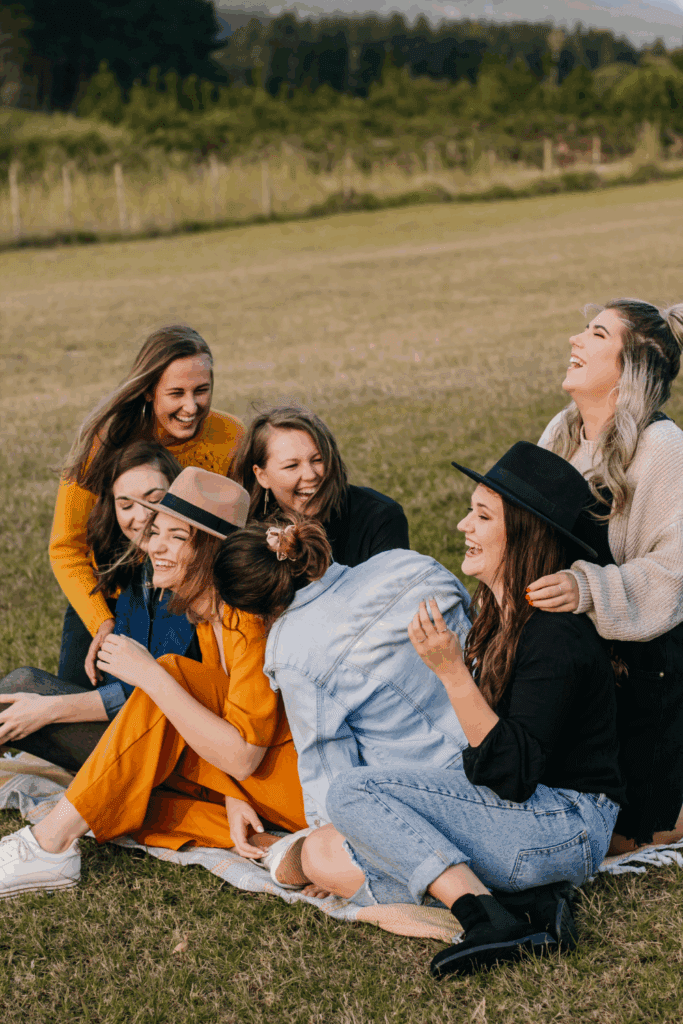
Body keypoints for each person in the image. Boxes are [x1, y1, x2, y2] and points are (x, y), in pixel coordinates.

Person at [214, 444, 624, 977]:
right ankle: (527, 905)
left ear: (524, 533)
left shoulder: (552, 633)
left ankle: (484, 916)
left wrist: (452, 672)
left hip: (564, 825)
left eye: (481, 516)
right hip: (517, 816)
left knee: (345, 807)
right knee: (333, 842)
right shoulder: (452, 591)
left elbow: (512, 776)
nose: (461, 525)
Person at [0, 469, 312, 901]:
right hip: (251, 782)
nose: (153, 548)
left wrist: (148, 673)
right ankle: (270, 844)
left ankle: (48, 844)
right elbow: (225, 725)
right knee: (123, 798)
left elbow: (243, 757)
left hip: (298, 786)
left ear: (211, 551)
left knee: (169, 677)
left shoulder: (248, 622)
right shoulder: (209, 615)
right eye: (155, 533)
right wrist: (230, 795)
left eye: (176, 538)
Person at [527, 299, 683, 850]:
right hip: (563, 643)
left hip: (640, 665)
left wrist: (586, 588)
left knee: (630, 833)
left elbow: (672, 573)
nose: (575, 340)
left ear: (632, 366)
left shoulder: (663, 448)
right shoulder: (563, 431)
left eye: (595, 334)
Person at [50, 324, 244, 690]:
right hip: (110, 595)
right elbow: (66, 548)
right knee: (73, 708)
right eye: (176, 393)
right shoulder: (105, 443)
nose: (191, 406)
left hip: (188, 598)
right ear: (148, 391)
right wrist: (100, 622)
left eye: (202, 390)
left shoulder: (232, 436)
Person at [0, 442, 199, 772]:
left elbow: (152, 691)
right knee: (20, 688)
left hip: (174, 755)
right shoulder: (137, 570)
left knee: (23, 696)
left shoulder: (183, 577)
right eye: (126, 504)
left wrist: (49, 710)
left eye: (154, 499)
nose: (141, 516)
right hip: (135, 730)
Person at [230, 406, 409, 567]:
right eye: (291, 466)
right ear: (262, 476)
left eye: (318, 460)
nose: (311, 475)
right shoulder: (246, 533)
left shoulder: (379, 517)